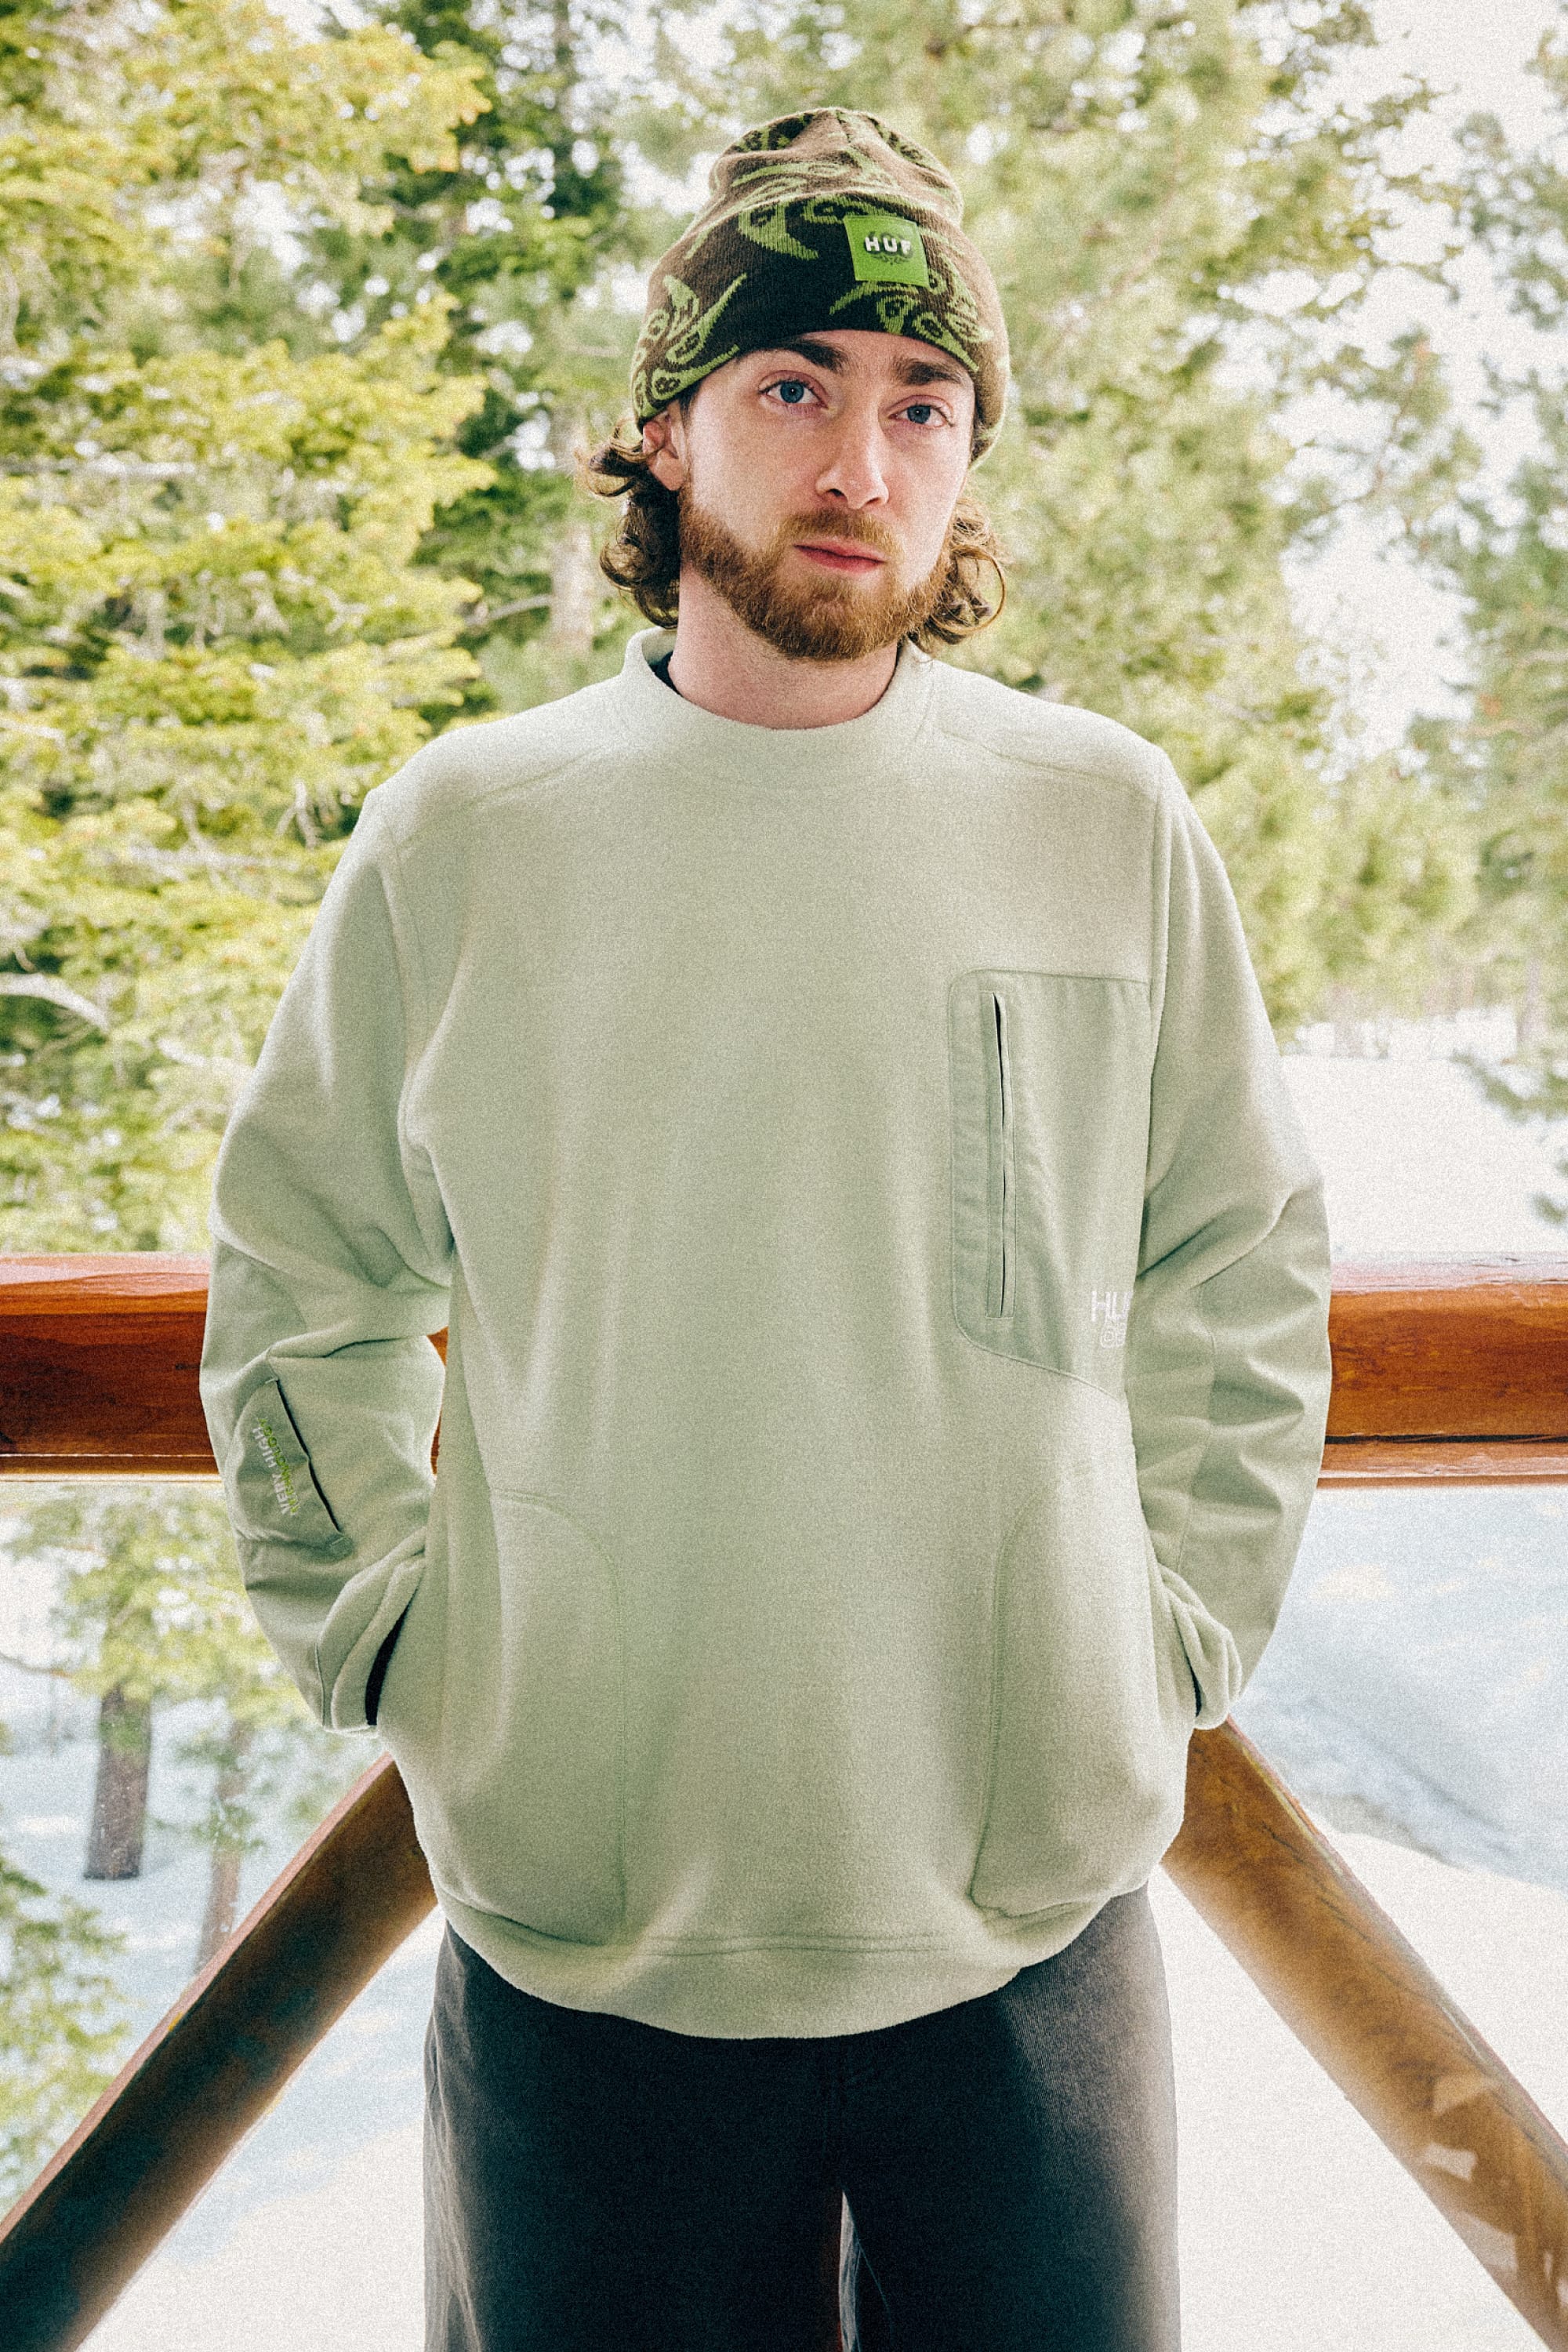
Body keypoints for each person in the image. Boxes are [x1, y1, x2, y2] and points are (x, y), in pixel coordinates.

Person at [198, 105, 1334, 2352]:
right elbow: (300, 1278)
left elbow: (1240, 1255)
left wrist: (1180, 1634)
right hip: (591, 1920)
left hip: (1028, 1910)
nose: (859, 459)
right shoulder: (472, 837)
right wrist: (394, 1646)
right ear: (668, 431)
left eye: (923, 405)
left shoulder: (1098, 818)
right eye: (794, 385)